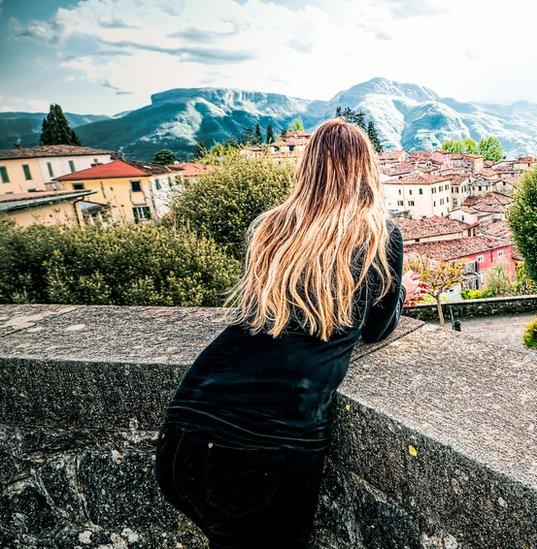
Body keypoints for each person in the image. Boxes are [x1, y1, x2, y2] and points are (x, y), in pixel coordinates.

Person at [154, 118, 427, 548]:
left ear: (308, 167)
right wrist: (400, 291)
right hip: (263, 448)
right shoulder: (378, 234)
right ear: (367, 169)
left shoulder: (271, 227)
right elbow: (376, 328)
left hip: (186, 428)